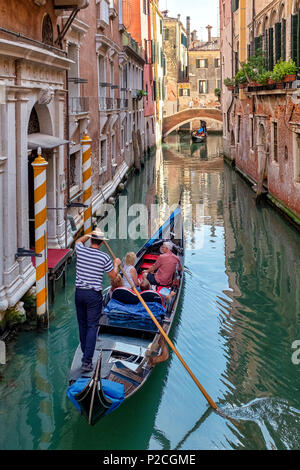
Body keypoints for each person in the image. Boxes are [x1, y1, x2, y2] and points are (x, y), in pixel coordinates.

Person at [75, 228, 121, 371]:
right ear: (101, 243)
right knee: (92, 327)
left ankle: (85, 354)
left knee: (83, 325)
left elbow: (77, 241)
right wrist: (116, 264)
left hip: (79, 294)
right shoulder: (104, 257)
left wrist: (88, 235)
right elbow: (114, 277)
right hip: (93, 296)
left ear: (91, 240)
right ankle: (87, 361)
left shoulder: (81, 251)